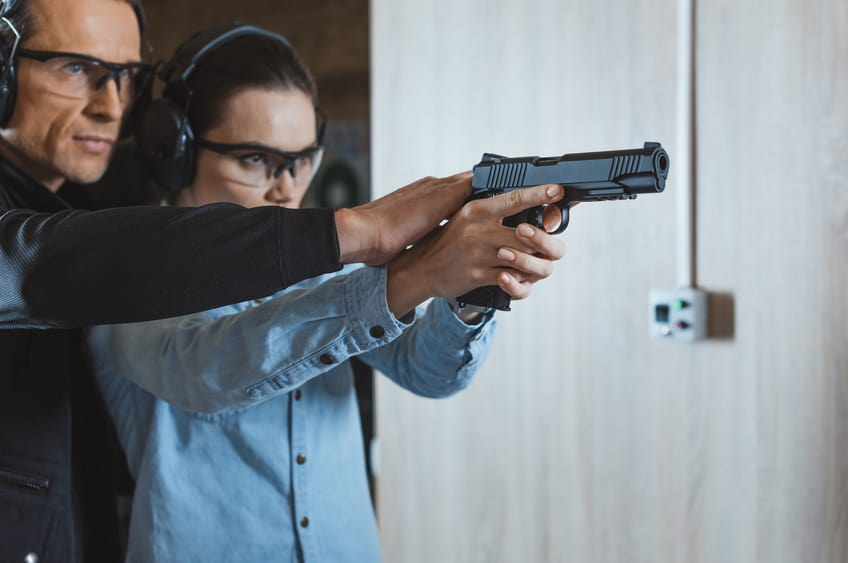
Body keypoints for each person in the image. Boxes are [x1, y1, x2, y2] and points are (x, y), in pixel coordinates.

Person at [0, 0, 564, 561]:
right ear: (175, 154)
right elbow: (209, 367)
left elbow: (431, 375)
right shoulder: (126, 272)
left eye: (301, 160)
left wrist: (469, 288)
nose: (286, 189)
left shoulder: (329, 261)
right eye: (255, 160)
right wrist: (414, 275)